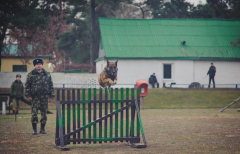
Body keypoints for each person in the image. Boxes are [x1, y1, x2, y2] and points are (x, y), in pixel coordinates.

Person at [25, 58, 55, 135]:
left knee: (44, 114)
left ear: (42, 65)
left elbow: (51, 85)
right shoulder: (31, 75)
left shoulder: (47, 74)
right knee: (34, 113)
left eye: (40, 64)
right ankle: (34, 129)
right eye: (37, 64)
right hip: (35, 97)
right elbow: (27, 86)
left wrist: (51, 96)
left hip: (44, 97)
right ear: (35, 66)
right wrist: (28, 95)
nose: (39, 66)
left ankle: (42, 129)